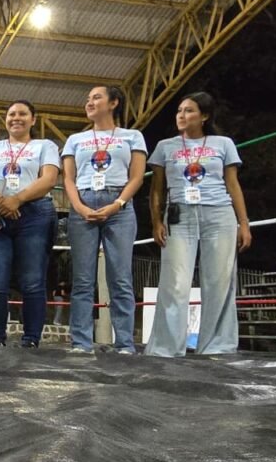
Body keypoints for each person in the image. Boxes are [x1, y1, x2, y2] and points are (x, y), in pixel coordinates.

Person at [145, 92, 252, 357]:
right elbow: (157, 189)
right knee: (175, 282)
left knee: (220, 281)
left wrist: (243, 223)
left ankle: (217, 346)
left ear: (204, 116)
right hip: (179, 215)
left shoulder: (223, 143)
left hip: (219, 213)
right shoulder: (165, 146)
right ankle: (166, 348)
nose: (182, 115)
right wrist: (156, 221)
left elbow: (233, 184)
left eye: (189, 110)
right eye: (179, 110)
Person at [62, 85, 147, 354]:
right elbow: (68, 179)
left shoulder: (132, 136)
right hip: (83, 204)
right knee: (83, 279)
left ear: (113, 103)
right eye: (88, 98)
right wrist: (79, 207)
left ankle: (124, 344)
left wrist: (118, 204)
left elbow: (137, 177)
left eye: (96, 97)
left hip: (119, 206)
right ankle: (81, 342)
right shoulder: (75, 139)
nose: (89, 102)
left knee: (120, 277)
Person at [0, 100, 60, 347]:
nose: (16, 118)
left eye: (23, 113)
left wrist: (17, 200)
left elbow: (49, 179)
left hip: (35, 214)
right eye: (11, 114)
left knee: (32, 280)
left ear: (33, 119)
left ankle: (31, 339)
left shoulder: (45, 146)